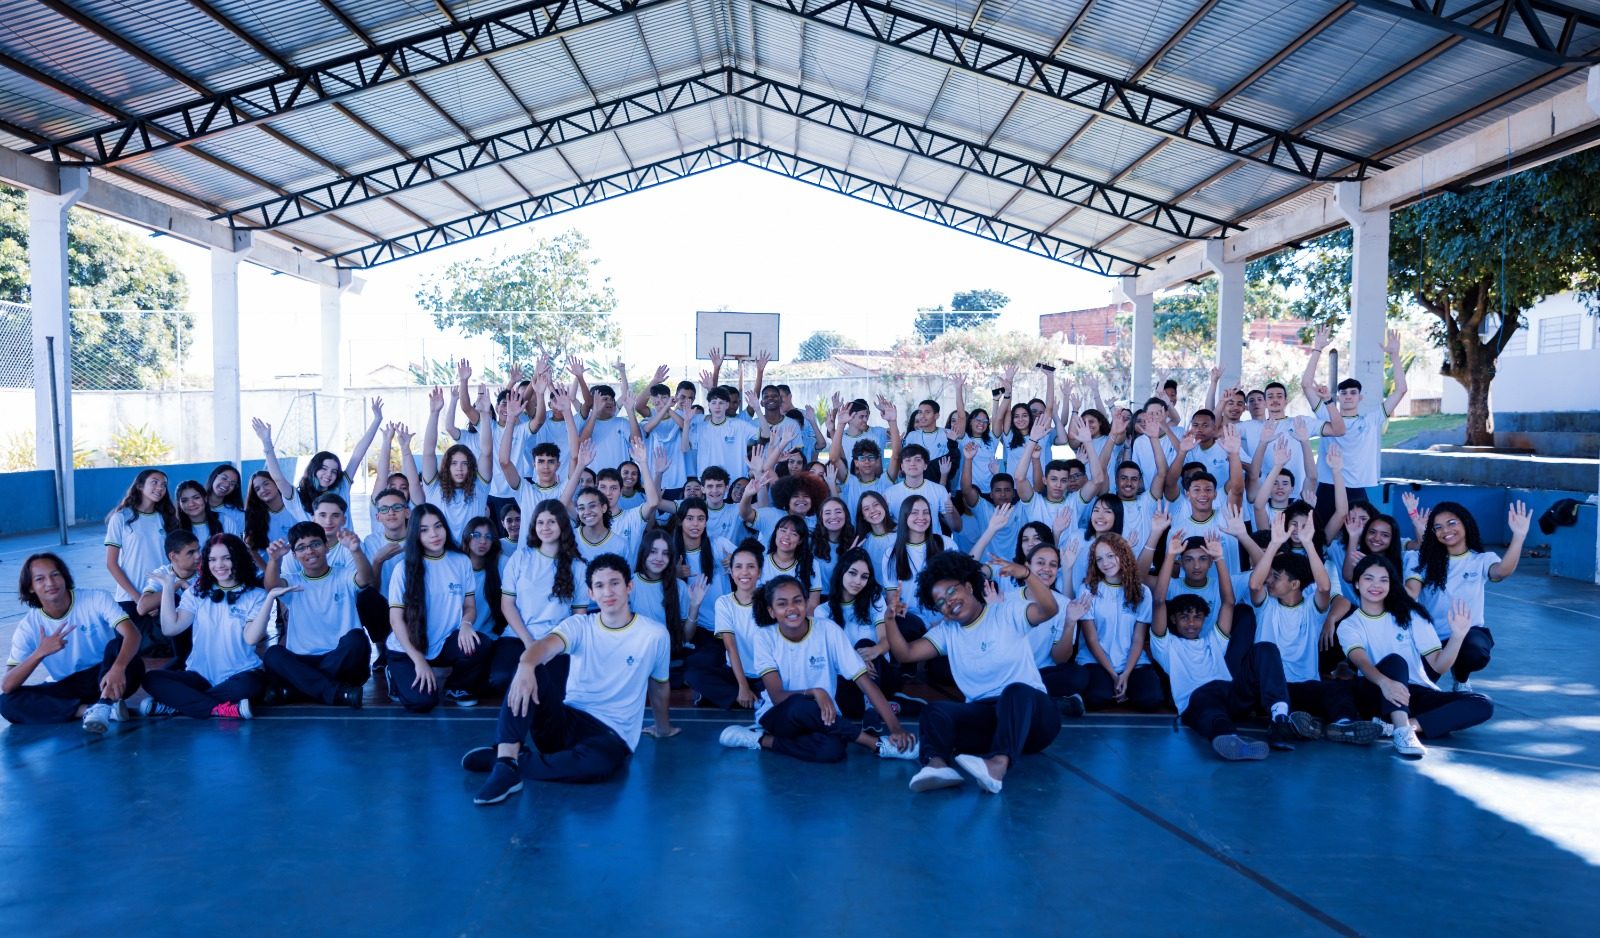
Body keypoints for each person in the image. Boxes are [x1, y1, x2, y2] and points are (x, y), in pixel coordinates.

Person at [461, 554, 677, 805]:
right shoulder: (578, 625)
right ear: (590, 593)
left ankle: (504, 759)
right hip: (565, 721)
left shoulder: (654, 635)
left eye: (615, 583)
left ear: (629, 586)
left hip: (611, 734)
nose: (608, 591)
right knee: (532, 670)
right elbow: (544, 647)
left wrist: (663, 729)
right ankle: (506, 768)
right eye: (599, 585)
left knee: (596, 773)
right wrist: (526, 663)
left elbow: (660, 685)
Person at [886, 551, 1061, 794]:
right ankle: (936, 766)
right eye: (940, 603)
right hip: (990, 721)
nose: (949, 603)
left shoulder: (1006, 612)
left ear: (969, 586)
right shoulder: (948, 631)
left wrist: (1027, 574)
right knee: (934, 710)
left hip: (1034, 718)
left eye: (951, 592)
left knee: (1016, 691)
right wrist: (890, 620)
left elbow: (1050, 609)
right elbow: (906, 653)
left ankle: (996, 766)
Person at [719, 576, 918, 762]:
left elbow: (865, 682)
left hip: (824, 715)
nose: (792, 608)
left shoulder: (828, 630)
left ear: (806, 603)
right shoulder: (764, 637)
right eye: (782, 604)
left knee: (832, 751)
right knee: (801, 704)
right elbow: (777, 695)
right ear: (771, 611)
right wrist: (815, 692)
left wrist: (895, 727)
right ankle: (875, 744)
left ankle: (760, 740)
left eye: (797, 601)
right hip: (779, 715)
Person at [1338, 555, 1494, 758]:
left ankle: (1400, 727)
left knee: (1482, 703)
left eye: (1383, 580)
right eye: (1369, 578)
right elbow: (1362, 662)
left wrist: (1457, 637)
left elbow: (1439, 666)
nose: (1376, 585)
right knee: (1395, 662)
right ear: (1357, 584)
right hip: (1376, 691)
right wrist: (1385, 683)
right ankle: (1402, 733)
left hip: (1414, 692)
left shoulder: (1411, 616)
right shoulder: (1349, 625)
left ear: (1391, 585)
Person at [1, 554, 144, 732]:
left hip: (108, 675)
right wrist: (40, 653)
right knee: (7, 702)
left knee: (117, 647)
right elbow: (7, 685)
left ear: (64, 576)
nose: (50, 583)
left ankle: (104, 702)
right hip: (68, 685)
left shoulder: (96, 598)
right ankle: (94, 710)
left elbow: (133, 634)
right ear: (30, 587)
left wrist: (118, 668)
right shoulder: (28, 626)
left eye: (55, 574)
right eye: (40, 579)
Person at [143, 534, 277, 720]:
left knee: (251, 686)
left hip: (240, 675)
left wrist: (270, 598)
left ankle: (179, 705)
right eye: (212, 559)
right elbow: (170, 629)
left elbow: (251, 639)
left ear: (238, 558)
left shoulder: (256, 595)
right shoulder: (196, 593)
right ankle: (220, 708)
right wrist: (167, 587)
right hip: (200, 676)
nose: (218, 565)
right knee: (152, 679)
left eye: (226, 558)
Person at [1404, 500, 1529, 691]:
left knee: (1475, 652)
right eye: (1438, 527)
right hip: (1430, 638)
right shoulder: (1421, 560)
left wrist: (1519, 536)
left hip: (1466, 634)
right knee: (1416, 689)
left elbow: (1501, 571)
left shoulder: (1481, 560)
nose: (1445, 530)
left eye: (1452, 523)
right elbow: (1411, 590)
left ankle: (1461, 678)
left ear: (1465, 523)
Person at [384, 505, 494, 712]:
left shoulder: (461, 562)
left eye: (438, 526)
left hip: (443, 642)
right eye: (424, 530)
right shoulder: (403, 569)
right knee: (422, 702)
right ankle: (395, 673)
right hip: (408, 648)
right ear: (415, 534)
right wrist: (418, 660)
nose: (433, 534)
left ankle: (456, 687)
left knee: (481, 644)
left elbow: (469, 606)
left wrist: (466, 624)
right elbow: (395, 620)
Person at [260, 522, 373, 708]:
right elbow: (272, 587)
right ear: (295, 556)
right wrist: (274, 560)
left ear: (327, 547)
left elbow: (366, 578)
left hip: (340, 660)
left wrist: (356, 551)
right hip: (303, 661)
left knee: (357, 639)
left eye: (315, 544)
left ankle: (299, 689)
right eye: (302, 548)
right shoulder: (293, 581)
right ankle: (335, 692)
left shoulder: (343, 575)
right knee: (273, 654)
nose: (310, 551)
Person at [1302, 327, 1406, 517]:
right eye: (1343, 393)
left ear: (1361, 397)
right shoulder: (1327, 415)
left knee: (1360, 538)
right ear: (1338, 397)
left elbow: (1401, 390)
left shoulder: (1372, 420)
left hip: (1356, 488)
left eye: (1353, 393)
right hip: (1328, 486)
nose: (1348, 396)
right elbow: (1306, 385)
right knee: (1321, 535)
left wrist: (1395, 356)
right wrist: (1317, 349)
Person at [499, 500, 590, 705]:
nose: (545, 527)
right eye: (540, 522)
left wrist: (551, 646)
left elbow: (579, 615)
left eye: (551, 522)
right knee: (501, 677)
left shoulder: (577, 566)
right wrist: (529, 643)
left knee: (550, 687)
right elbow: (507, 604)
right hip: (518, 637)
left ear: (563, 525)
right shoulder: (521, 557)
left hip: (556, 641)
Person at [1064, 532, 1163, 711]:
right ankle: (1119, 689)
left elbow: (1138, 639)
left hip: (1131, 662)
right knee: (1097, 698)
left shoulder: (1142, 592)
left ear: (1123, 554)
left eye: (1111, 555)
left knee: (1152, 699)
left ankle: (1125, 688)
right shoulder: (1087, 590)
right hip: (1096, 661)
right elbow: (1092, 640)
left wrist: (1125, 673)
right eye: (1099, 559)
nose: (1105, 563)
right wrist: (1113, 675)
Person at [402, 388, 495, 541]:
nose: (459, 468)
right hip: (442, 556)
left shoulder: (480, 488)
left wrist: (485, 415)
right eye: (454, 463)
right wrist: (434, 413)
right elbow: (428, 452)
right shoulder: (433, 489)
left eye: (465, 464)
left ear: (471, 467)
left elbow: (486, 452)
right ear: (447, 467)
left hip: (472, 557)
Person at [684, 540, 765, 710]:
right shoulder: (724, 602)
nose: (744, 572)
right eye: (738, 567)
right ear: (731, 571)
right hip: (735, 674)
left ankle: (741, 698)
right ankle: (754, 700)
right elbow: (731, 647)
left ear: (759, 572)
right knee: (693, 675)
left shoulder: (769, 598)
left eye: (751, 566)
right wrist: (743, 686)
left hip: (766, 674)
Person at [104, 468, 178, 646]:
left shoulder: (166, 518)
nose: (160, 487)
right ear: (139, 486)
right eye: (154, 482)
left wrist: (157, 597)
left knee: (169, 651)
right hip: (130, 599)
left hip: (162, 596)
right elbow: (111, 564)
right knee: (131, 650)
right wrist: (140, 599)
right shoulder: (121, 518)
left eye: (164, 485)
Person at [290, 397, 384, 513]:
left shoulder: (342, 487)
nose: (328, 474)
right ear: (313, 469)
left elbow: (358, 454)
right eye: (324, 469)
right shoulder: (300, 497)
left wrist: (377, 419)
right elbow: (278, 479)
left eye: (334, 471)